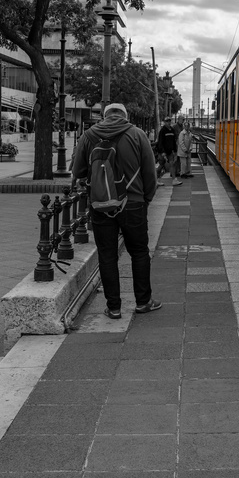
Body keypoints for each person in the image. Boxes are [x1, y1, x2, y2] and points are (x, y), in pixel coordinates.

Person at [71, 102, 161, 319]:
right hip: (133, 203)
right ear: (124, 115)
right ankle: (143, 301)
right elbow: (150, 173)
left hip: (101, 205)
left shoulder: (89, 135)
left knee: (107, 254)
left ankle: (113, 307)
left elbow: (78, 171)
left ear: (105, 116)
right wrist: (145, 199)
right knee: (139, 252)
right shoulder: (138, 135)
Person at [156, 117, 181, 187]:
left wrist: (175, 151)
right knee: (161, 165)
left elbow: (173, 141)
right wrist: (162, 152)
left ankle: (174, 180)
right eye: (167, 121)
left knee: (172, 164)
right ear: (164, 122)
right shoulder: (162, 131)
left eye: (169, 121)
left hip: (170, 151)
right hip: (163, 152)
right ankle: (156, 180)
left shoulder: (172, 130)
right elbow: (160, 142)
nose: (168, 122)